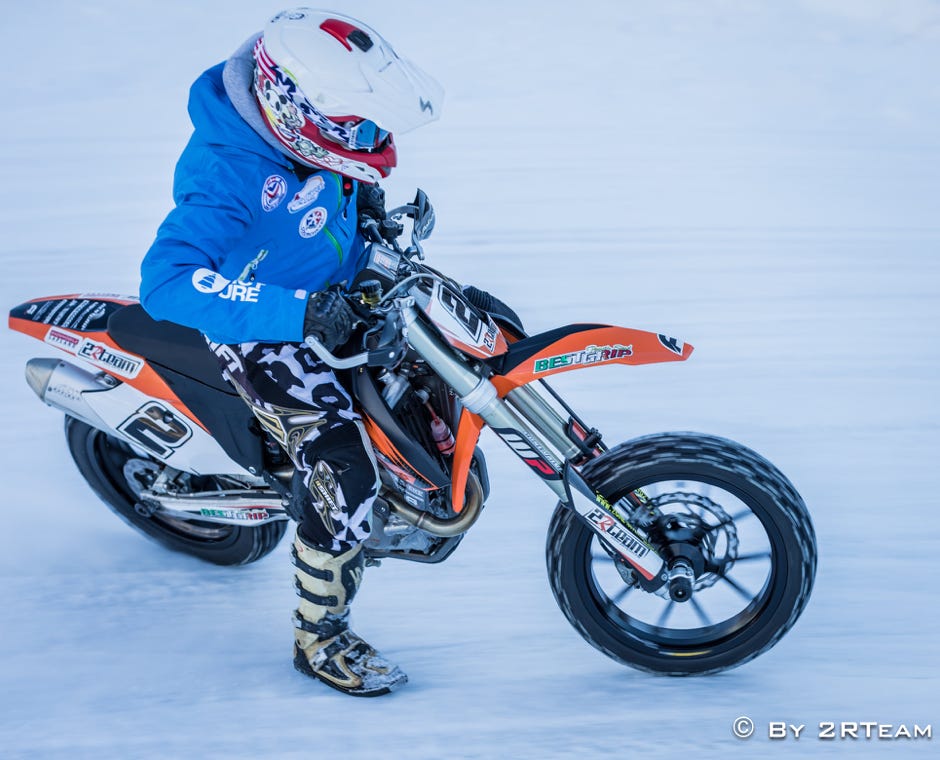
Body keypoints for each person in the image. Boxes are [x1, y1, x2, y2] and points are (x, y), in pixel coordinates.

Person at [139, 8, 444, 697]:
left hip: (330, 291)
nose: (362, 137)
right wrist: (297, 313)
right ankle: (320, 635)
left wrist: (367, 212)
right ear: (288, 106)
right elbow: (163, 281)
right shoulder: (226, 173)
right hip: (261, 328)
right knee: (344, 469)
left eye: (364, 124)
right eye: (348, 125)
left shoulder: (309, 130)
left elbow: (334, 179)